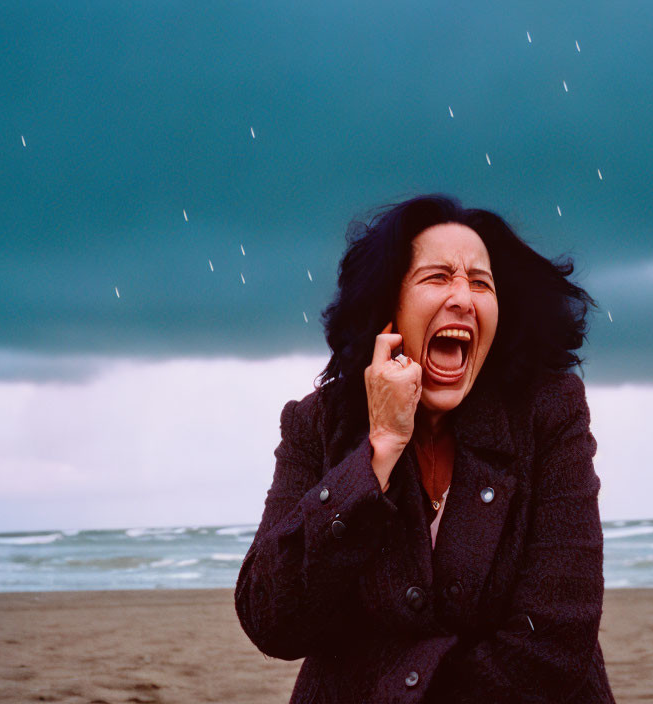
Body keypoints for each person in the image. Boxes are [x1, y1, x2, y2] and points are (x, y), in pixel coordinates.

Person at [234, 194, 616, 703]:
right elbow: (271, 619)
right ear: (387, 308)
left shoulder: (550, 413)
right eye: (437, 277)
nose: (463, 298)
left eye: (480, 282)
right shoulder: (316, 424)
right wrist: (377, 453)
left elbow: (554, 637)